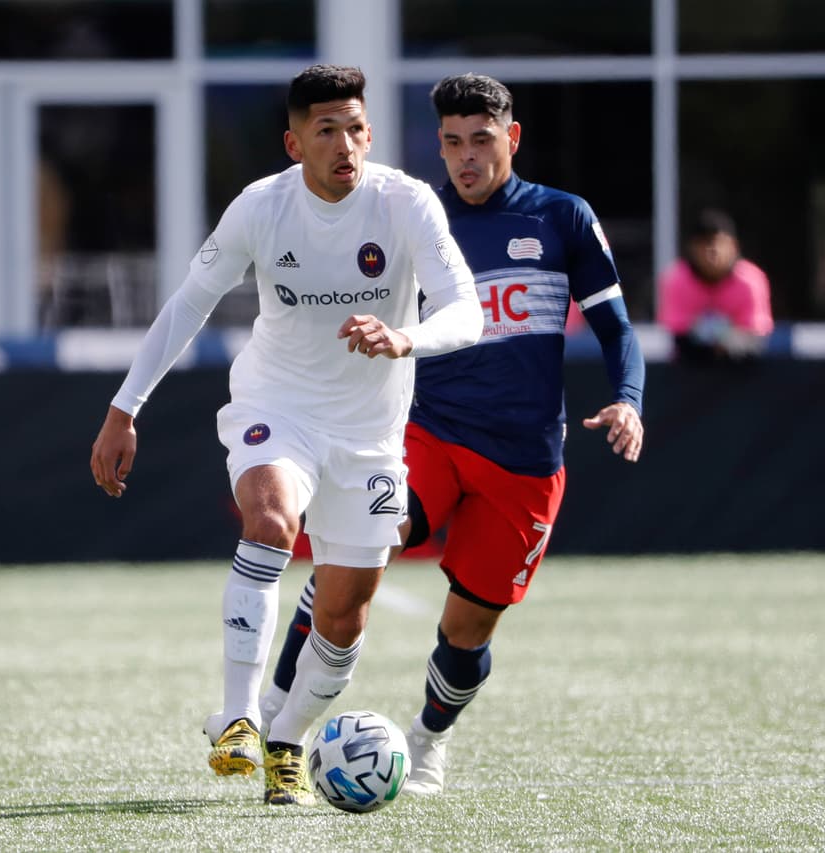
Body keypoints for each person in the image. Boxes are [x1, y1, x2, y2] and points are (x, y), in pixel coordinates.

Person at [89, 64, 482, 806]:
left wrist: (406, 337)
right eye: (326, 129)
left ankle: (287, 739)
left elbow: (468, 311)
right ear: (294, 142)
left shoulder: (406, 204)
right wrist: (124, 407)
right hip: (279, 403)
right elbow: (187, 306)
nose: (346, 144)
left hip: (369, 435)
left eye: (357, 128)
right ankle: (238, 715)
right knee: (269, 518)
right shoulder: (261, 207)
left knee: (342, 618)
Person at [259, 73, 646, 795]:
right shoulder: (415, 214)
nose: (465, 158)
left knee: (469, 628)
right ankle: (278, 716)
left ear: (513, 138)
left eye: (481, 141)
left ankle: (429, 740)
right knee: (355, 548)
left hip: (524, 458)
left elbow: (615, 326)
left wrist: (628, 399)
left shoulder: (562, 217)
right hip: (423, 432)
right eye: (451, 143)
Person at [659, 208, 773, 362]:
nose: (711, 251)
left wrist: (728, 341)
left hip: (743, 371)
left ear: (734, 246)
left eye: (717, 243)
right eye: (703, 244)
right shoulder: (676, 280)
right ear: (692, 247)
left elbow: (756, 335)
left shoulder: (750, 281)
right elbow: (678, 332)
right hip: (689, 369)